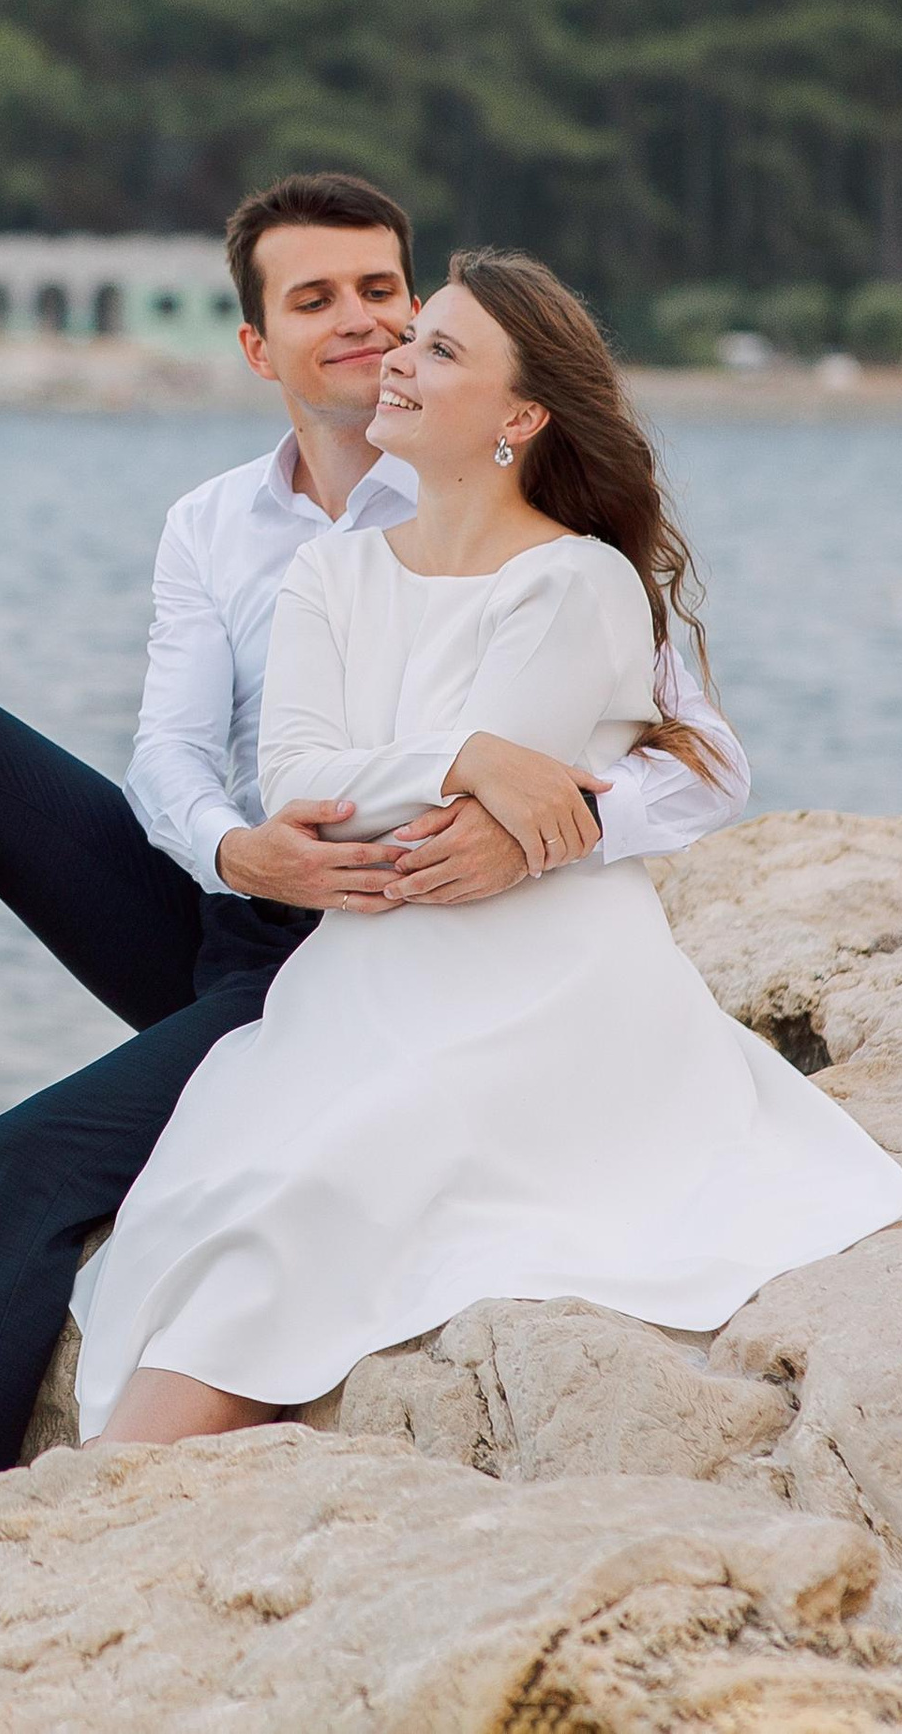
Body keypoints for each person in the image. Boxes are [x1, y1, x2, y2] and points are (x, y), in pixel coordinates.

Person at [0, 180, 748, 1733]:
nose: (365, 321)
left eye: (384, 289)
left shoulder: (511, 512)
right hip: (241, 903)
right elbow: (166, 750)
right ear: (256, 343)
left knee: (41, 1157)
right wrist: (232, 848)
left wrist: (562, 819)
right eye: (318, 300)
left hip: (374, 951)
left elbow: (699, 761)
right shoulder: (224, 523)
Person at [70, 246, 902, 1444]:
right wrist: (460, 755)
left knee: (310, 1202)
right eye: (415, 340)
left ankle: (108, 1499)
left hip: (535, 986)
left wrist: (451, 781)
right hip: (355, 980)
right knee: (215, 1202)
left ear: (518, 415)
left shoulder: (579, 582)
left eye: (438, 348)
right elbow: (298, 782)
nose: (395, 360)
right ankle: (101, 1499)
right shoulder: (329, 569)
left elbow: (467, 831)